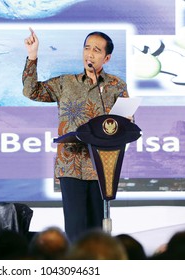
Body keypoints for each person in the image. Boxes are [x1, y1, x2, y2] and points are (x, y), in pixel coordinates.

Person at [23, 28, 129, 242]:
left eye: (96, 50)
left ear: (106, 58)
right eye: (87, 48)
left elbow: (126, 124)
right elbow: (31, 91)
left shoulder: (116, 86)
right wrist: (32, 56)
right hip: (71, 165)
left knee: (98, 233)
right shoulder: (65, 83)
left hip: (102, 167)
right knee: (75, 230)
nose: (90, 54)